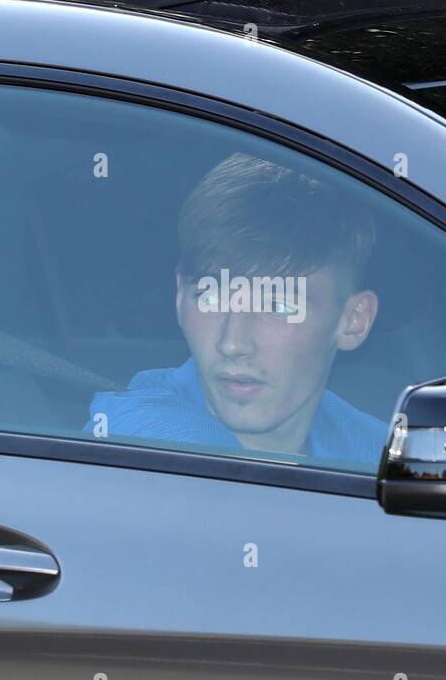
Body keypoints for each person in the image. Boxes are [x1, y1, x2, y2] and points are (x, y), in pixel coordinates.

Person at [86, 151, 386, 463]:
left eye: (276, 304)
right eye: (212, 296)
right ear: (179, 297)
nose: (232, 343)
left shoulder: (373, 452)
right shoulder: (144, 444)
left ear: (353, 320)